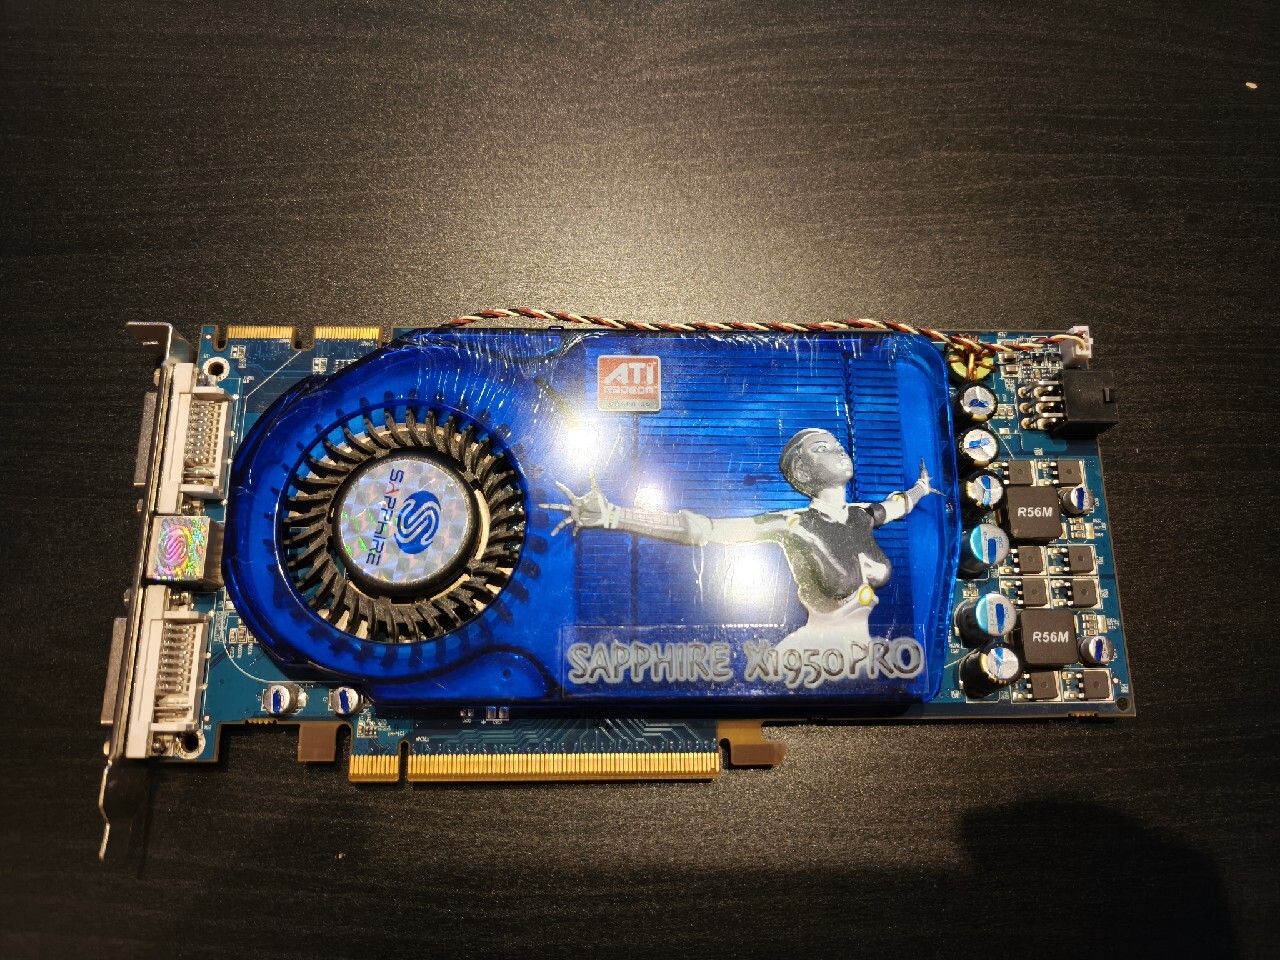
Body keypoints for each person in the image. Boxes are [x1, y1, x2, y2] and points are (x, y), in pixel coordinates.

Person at [544, 427, 940, 653]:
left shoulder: (862, 515)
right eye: (822, 448)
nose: (838, 450)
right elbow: (705, 530)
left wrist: (923, 487)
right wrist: (614, 516)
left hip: (867, 654)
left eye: (837, 444)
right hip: (811, 658)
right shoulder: (790, 523)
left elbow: (898, 504)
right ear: (802, 472)